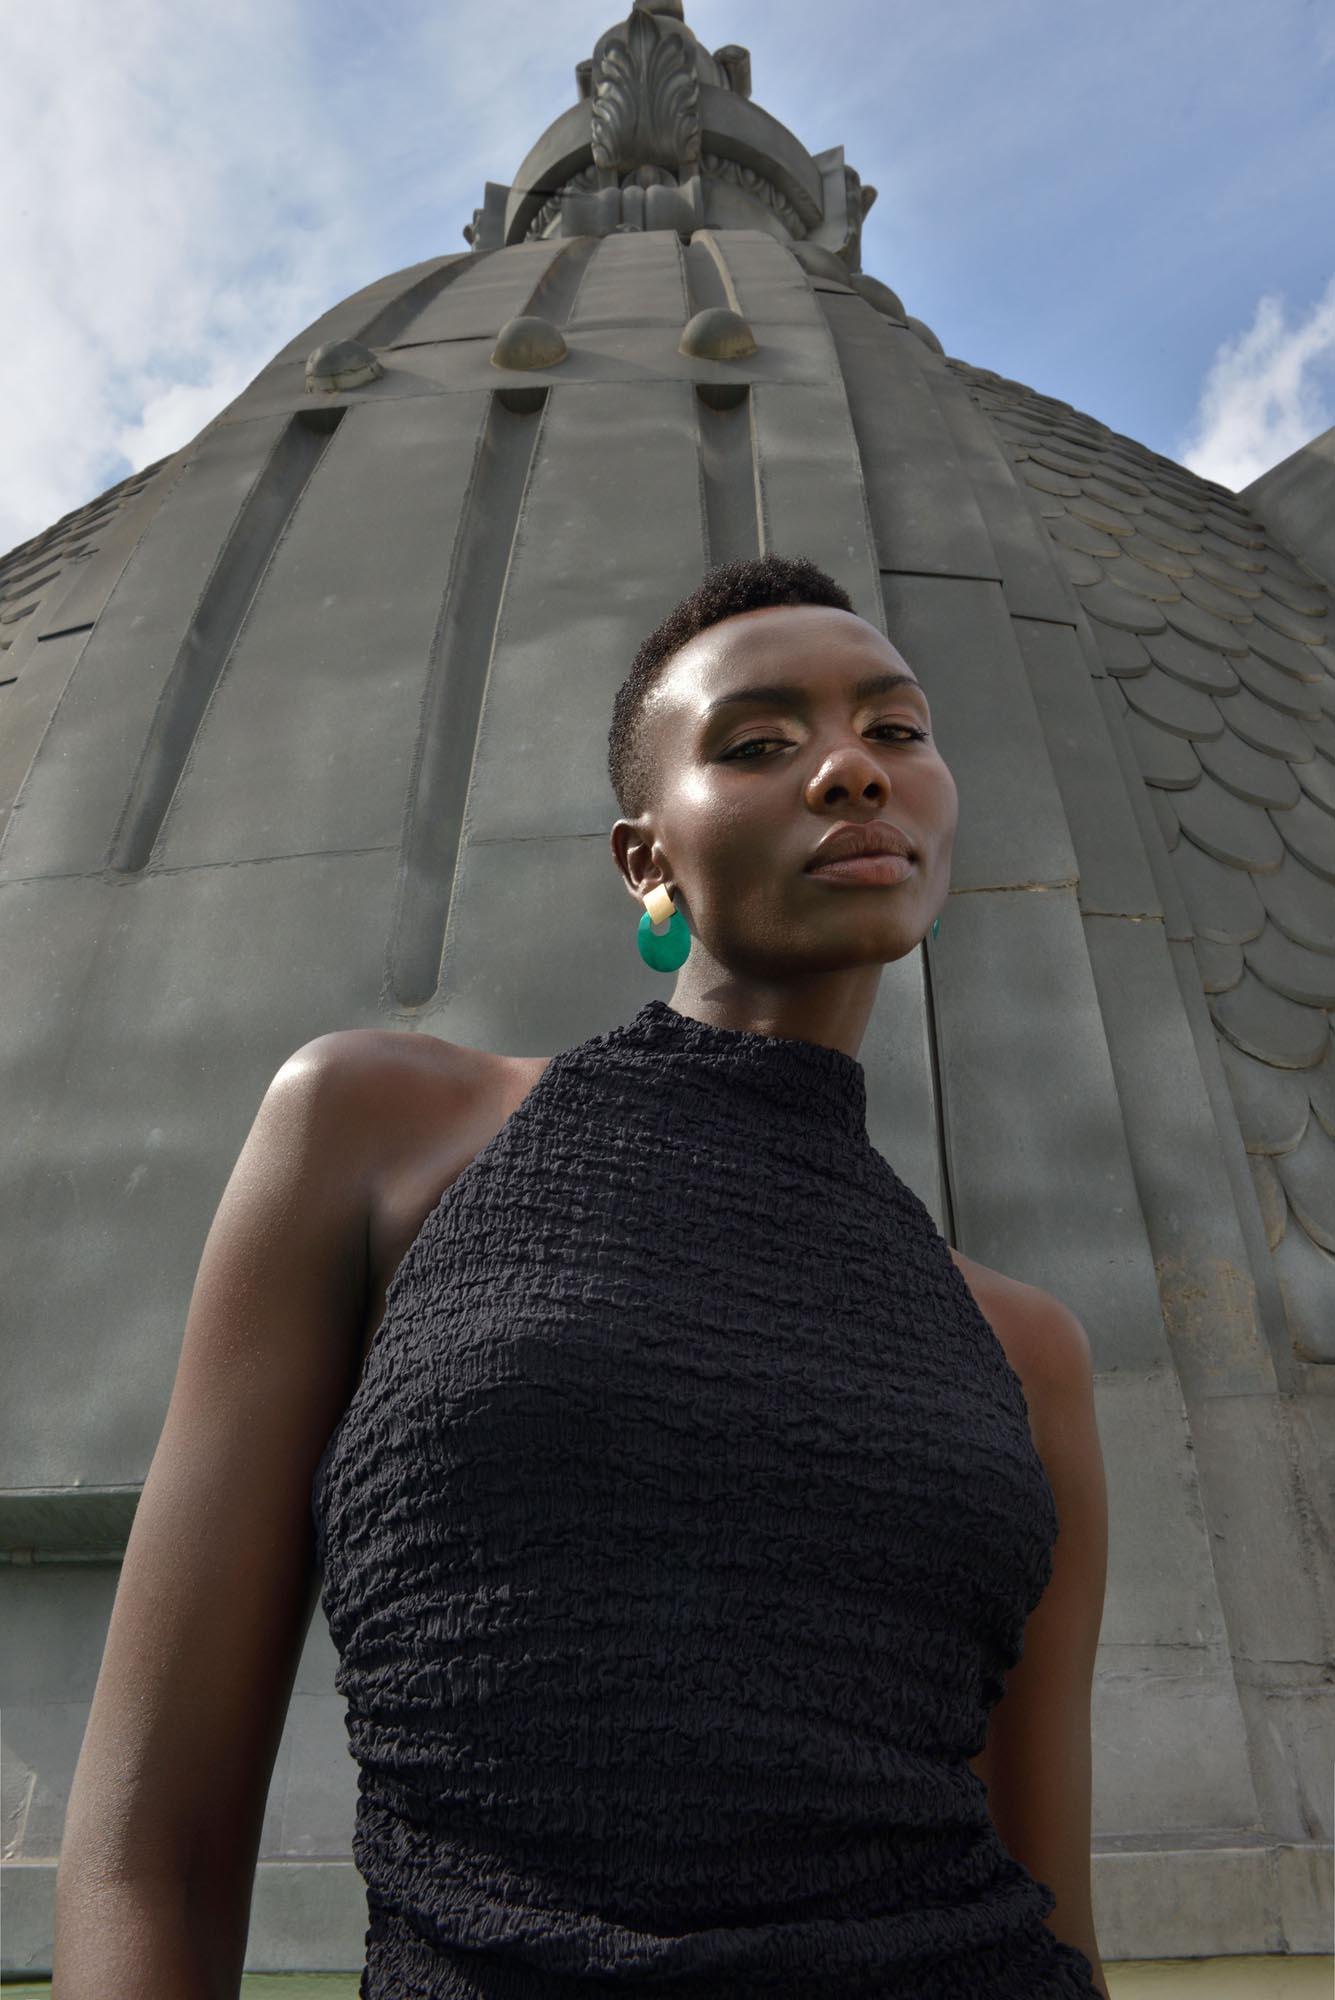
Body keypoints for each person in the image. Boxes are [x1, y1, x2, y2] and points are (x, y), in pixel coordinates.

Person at [53, 553, 1110, 1998]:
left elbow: (1057, 1918)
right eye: (759, 743)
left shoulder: (1027, 1349)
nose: (853, 770)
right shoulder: (376, 1133)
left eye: (897, 730)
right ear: (645, 859)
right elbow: (150, 1850)